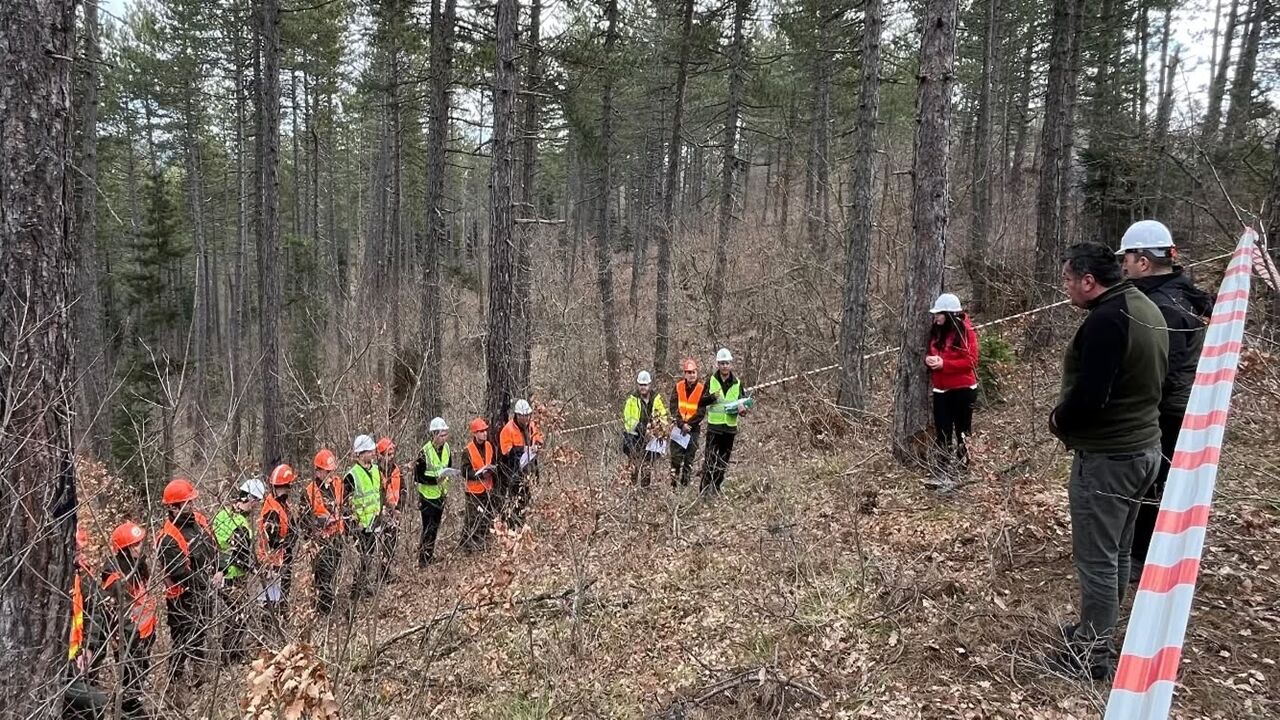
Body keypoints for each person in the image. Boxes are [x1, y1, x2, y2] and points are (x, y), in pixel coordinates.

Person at [1046, 242, 1168, 681]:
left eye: (1067, 280)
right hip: (1142, 450)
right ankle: (1098, 633)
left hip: (1109, 458)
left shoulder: (1106, 321)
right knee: (1117, 550)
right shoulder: (1141, 305)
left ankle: (1091, 652)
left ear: (1088, 281)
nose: (1064, 288)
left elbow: (1091, 397)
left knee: (1097, 557)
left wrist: (1058, 419)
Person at [1116, 220, 1215, 582]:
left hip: (1166, 411)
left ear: (1143, 262)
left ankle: (1141, 556)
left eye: (1127, 257)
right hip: (1173, 407)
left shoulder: (1165, 306)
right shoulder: (1180, 293)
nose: (1123, 265)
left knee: (1152, 483)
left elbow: (1164, 371)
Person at [156, 477, 217, 689]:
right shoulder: (167, 538)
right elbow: (181, 573)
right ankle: (176, 685)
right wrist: (209, 583)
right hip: (181, 599)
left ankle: (199, 676)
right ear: (173, 508)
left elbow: (213, 549)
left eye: (192, 502)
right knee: (182, 642)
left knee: (200, 634)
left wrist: (220, 570)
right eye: (187, 503)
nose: (192, 506)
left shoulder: (199, 521)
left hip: (204, 591)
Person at [923, 292, 980, 488]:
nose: (936, 317)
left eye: (939, 313)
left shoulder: (966, 332)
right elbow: (932, 353)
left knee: (963, 431)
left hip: (963, 389)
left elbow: (971, 360)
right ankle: (942, 469)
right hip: (941, 390)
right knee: (942, 432)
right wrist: (930, 361)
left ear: (949, 314)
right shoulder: (936, 331)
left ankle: (963, 469)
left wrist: (944, 364)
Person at [101, 521, 157, 720]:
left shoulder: (138, 565)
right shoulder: (115, 580)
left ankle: (134, 706)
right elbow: (116, 618)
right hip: (130, 640)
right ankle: (129, 713)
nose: (138, 547)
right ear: (123, 550)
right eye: (134, 545)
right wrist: (132, 644)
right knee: (130, 681)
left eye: (139, 542)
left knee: (140, 676)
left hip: (146, 632)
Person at [212, 477, 262, 663]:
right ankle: (230, 655)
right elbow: (227, 549)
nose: (256, 506)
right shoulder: (233, 521)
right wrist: (224, 570)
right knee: (238, 615)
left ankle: (235, 652)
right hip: (228, 575)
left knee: (240, 614)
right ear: (249, 498)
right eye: (255, 501)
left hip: (235, 573)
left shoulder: (230, 516)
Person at [64, 525, 110, 719]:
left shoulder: (81, 576)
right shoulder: (53, 575)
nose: (79, 553)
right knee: (92, 704)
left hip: (78, 657)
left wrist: (89, 648)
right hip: (61, 663)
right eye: (76, 549)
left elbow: (94, 612)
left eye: (80, 549)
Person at [700, 348, 751, 495]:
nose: (724, 366)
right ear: (718, 364)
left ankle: (716, 488)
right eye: (722, 363)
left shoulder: (737, 383)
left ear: (731, 364)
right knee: (709, 459)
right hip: (714, 427)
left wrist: (743, 410)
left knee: (723, 461)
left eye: (727, 363)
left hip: (729, 428)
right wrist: (712, 397)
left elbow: (744, 403)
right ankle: (704, 490)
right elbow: (701, 402)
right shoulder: (711, 381)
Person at [305, 448, 345, 614]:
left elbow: (345, 506)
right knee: (323, 575)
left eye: (331, 471)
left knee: (334, 571)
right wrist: (321, 523)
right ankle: (325, 610)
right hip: (320, 541)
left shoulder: (338, 484)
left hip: (337, 536)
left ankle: (328, 604)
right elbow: (304, 521)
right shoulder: (309, 492)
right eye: (326, 471)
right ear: (318, 471)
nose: (330, 474)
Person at [257, 464, 295, 634]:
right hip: (274, 562)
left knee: (280, 596)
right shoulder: (272, 510)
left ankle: (278, 626)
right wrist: (289, 540)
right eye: (288, 486)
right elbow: (273, 542)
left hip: (281, 558)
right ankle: (270, 632)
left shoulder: (280, 505)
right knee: (272, 600)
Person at [412, 418, 453, 566]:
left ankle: (430, 555)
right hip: (427, 496)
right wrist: (435, 480)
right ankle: (423, 560)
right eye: (441, 435)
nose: (444, 438)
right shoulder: (424, 452)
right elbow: (417, 476)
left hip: (441, 495)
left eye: (445, 434)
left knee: (435, 527)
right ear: (434, 435)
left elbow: (448, 467)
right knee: (428, 528)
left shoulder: (447, 448)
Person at [347, 435, 383, 600]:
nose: (372, 453)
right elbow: (345, 504)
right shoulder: (351, 476)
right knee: (363, 558)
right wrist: (355, 524)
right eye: (369, 450)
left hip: (375, 521)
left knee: (370, 557)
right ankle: (356, 591)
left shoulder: (376, 469)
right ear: (360, 454)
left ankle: (364, 587)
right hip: (360, 525)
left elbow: (379, 492)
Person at [499, 399, 544, 528]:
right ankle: (512, 529)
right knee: (515, 503)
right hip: (514, 473)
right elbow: (506, 451)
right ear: (517, 415)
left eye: (527, 415)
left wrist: (537, 445)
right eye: (523, 416)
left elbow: (539, 438)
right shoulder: (507, 430)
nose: (526, 418)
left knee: (526, 501)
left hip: (530, 470)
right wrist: (522, 450)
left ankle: (521, 527)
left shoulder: (532, 426)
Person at [622, 370, 669, 487]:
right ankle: (631, 489)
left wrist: (655, 429)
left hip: (651, 438)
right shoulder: (631, 401)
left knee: (647, 465)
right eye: (641, 385)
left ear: (650, 385)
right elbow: (628, 421)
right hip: (634, 437)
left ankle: (645, 489)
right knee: (634, 464)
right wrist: (643, 429)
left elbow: (663, 417)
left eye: (645, 385)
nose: (643, 387)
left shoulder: (656, 400)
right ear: (637, 385)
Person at [669, 359, 709, 488]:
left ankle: (684, 488)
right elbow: (673, 407)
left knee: (688, 461)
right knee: (675, 460)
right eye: (688, 372)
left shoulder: (702, 388)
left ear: (697, 372)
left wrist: (689, 425)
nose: (691, 375)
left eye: (693, 372)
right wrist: (681, 424)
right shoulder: (678, 386)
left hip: (693, 430)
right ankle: (673, 487)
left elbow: (701, 411)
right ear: (685, 374)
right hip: (678, 429)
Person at [459, 417, 498, 550]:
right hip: (473, 491)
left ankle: (482, 543)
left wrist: (492, 471)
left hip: (487, 488)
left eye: (485, 431)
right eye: (481, 431)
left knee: (486, 517)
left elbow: (492, 462)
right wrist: (479, 474)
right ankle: (466, 545)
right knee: (472, 519)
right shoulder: (467, 451)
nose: (484, 433)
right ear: (475, 433)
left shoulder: (489, 446)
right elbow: (464, 472)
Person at [376, 437, 404, 581]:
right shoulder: (376, 473)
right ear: (380, 456)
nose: (391, 458)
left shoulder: (396, 470)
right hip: (381, 514)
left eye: (393, 454)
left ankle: (386, 574)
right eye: (388, 455)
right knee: (377, 547)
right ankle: (378, 576)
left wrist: (399, 509)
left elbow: (403, 490)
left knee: (390, 545)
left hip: (395, 514)